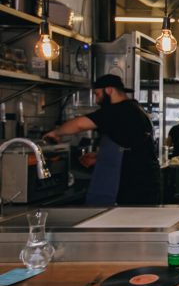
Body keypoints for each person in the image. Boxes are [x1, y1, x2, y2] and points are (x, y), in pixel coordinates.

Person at [43, 74, 160, 206]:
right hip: (145, 182)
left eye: (97, 94)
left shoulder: (118, 110)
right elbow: (129, 145)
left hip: (135, 186)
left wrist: (55, 133)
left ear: (109, 90)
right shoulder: (133, 108)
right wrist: (99, 156)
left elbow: (79, 124)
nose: (96, 100)